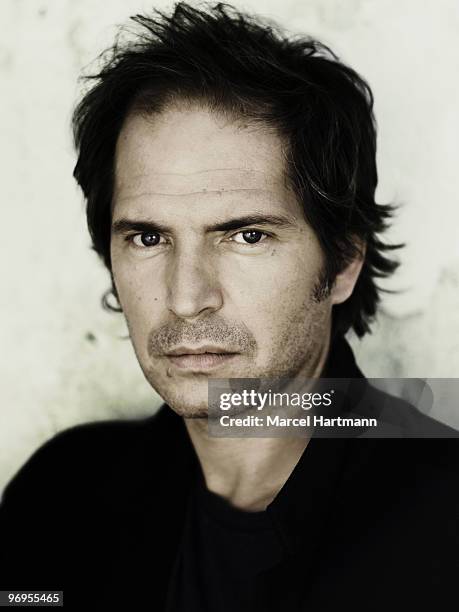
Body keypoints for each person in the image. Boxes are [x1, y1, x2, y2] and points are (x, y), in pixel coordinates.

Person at [0, 3, 457, 610]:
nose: (186, 298)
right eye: (148, 237)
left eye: (246, 236)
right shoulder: (59, 496)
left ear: (342, 263)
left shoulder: (446, 527)